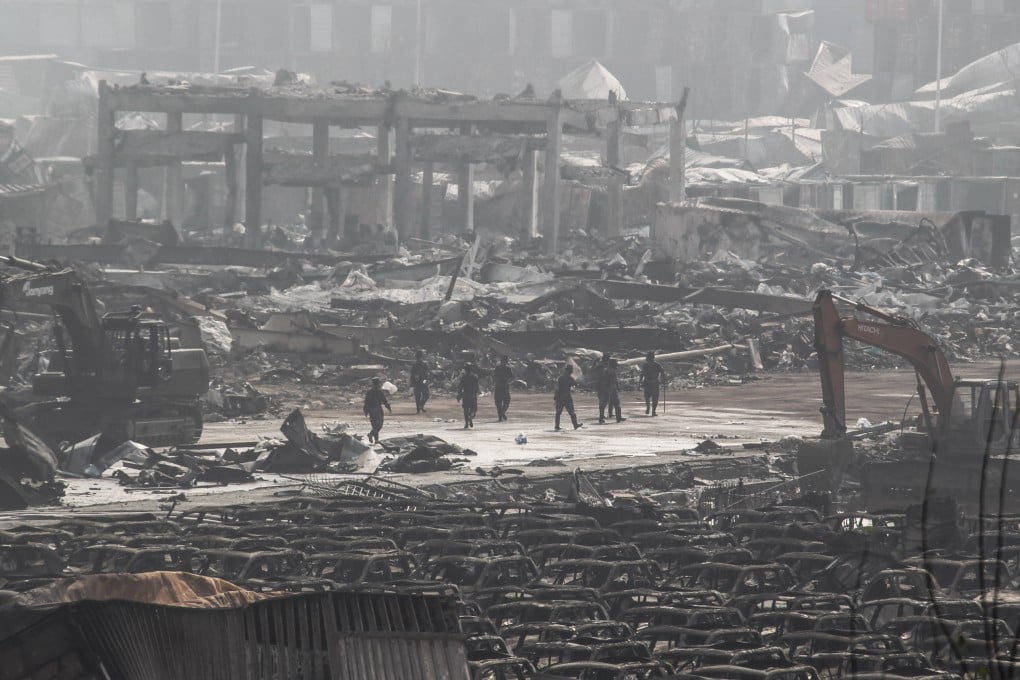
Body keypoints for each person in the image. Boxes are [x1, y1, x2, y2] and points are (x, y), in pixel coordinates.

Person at [554, 364, 583, 431]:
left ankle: (557, 426)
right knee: (571, 412)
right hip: (566, 397)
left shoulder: (560, 378)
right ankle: (575, 425)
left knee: (558, 412)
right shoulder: (568, 378)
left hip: (560, 397)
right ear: (570, 371)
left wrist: (555, 398)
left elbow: (557, 388)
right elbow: (575, 384)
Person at [363, 377, 391, 443]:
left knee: (374, 425)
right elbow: (384, 401)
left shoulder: (369, 392)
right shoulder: (379, 392)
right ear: (378, 384)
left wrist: (366, 411)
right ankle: (371, 434)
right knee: (379, 425)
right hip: (377, 409)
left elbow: (366, 402)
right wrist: (388, 407)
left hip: (370, 410)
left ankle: (376, 440)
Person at [638, 351, 666, 416]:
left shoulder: (645, 365)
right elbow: (662, 372)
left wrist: (639, 384)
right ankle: (653, 411)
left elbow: (642, 374)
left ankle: (648, 407)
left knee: (647, 397)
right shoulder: (657, 365)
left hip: (647, 382)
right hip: (654, 382)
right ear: (653, 357)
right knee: (655, 397)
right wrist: (664, 380)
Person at [457, 363, 480, 428]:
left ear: (465, 369)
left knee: (466, 410)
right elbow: (477, 387)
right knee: (474, 410)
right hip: (472, 395)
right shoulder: (474, 377)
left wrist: (459, 394)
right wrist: (478, 391)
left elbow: (460, 387)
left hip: (465, 395)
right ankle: (470, 417)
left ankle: (466, 423)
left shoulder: (463, 377)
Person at [493, 355, 513, 421]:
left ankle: (500, 416)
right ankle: (502, 413)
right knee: (506, 401)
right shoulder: (508, 368)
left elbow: (494, 378)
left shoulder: (497, 368)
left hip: (498, 386)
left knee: (498, 402)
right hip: (505, 386)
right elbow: (512, 377)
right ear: (506, 361)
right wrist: (508, 381)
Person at [607, 359, 626, 423]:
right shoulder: (612, 371)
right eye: (616, 363)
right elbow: (614, 381)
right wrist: (616, 388)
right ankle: (618, 418)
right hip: (612, 389)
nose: (617, 364)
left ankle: (610, 414)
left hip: (608, 389)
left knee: (611, 402)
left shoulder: (607, 370)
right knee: (617, 404)